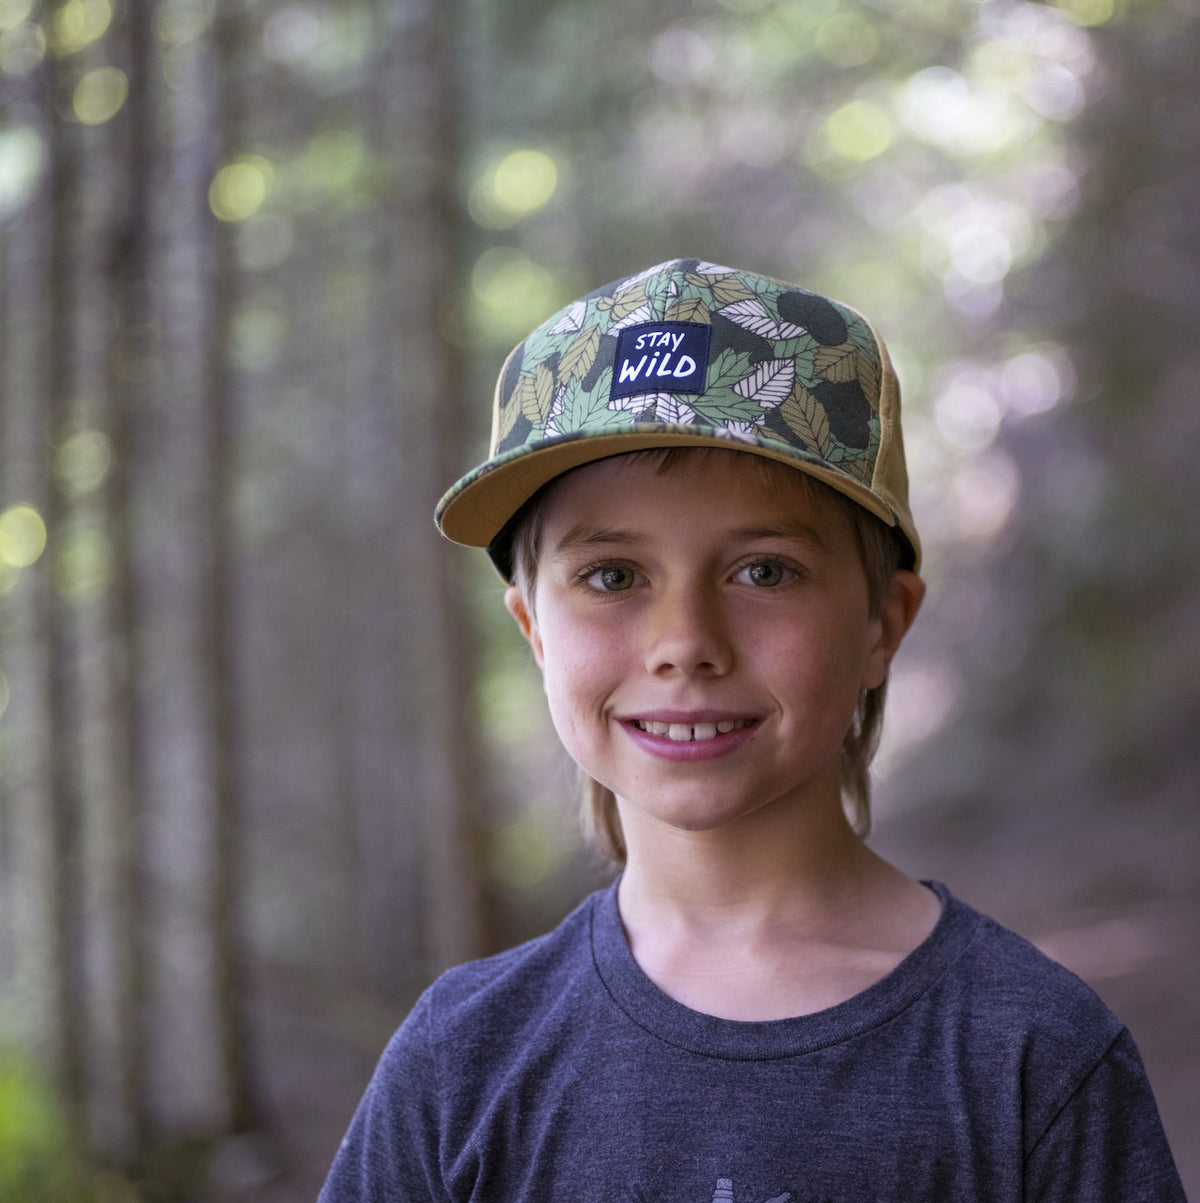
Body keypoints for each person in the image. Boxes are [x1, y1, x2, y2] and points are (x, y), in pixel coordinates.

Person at [320, 259, 1185, 1201]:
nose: (685, 644)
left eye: (764, 571)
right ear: (532, 629)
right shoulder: (462, 1059)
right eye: (613, 576)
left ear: (882, 624)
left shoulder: (1032, 1055)